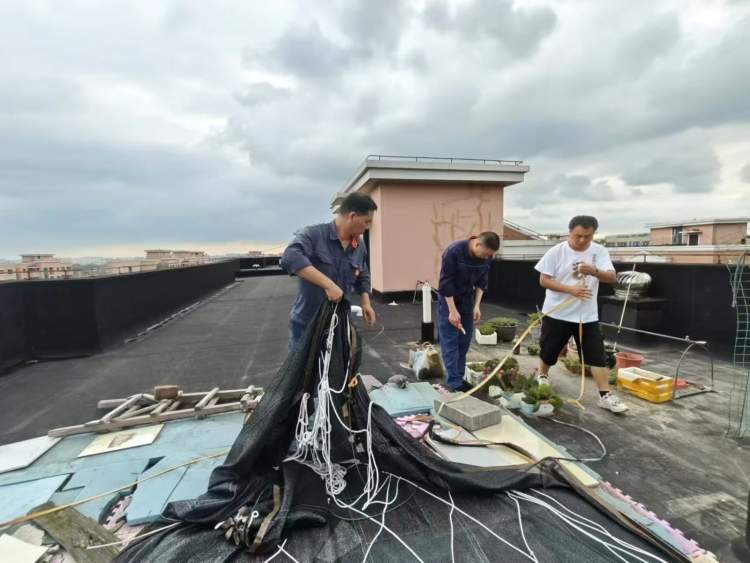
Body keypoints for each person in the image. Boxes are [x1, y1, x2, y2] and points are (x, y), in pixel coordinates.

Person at [534, 215, 627, 413]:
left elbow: (611, 277)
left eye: (588, 236)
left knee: (596, 355)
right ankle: (542, 376)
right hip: (557, 312)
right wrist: (571, 290)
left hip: (587, 316)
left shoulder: (599, 251)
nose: (583, 240)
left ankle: (605, 395)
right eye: (578, 236)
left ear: (594, 234)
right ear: (570, 232)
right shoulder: (556, 251)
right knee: (549, 349)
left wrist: (594, 271)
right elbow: (544, 280)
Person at [280, 193, 377, 350]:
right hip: (307, 325)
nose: (367, 227)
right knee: (304, 366)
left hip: (339, 325)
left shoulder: (359, 246)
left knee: (338, 365)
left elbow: (362, 276)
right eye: (366, 221)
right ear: (352, 216)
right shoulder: (313, 235)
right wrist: (329, 285)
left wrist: (366, 303)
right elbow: (290, 257)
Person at [437, 232, 500, 392]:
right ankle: (454, 382)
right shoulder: (454, 252)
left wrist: (477, 305)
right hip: (449, 299)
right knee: (450, 341)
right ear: (477, 244)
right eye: (485, 254)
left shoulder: (487, 256)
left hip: (467, 298)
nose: (487, 257)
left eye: (489, 255)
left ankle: (459, 377)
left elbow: (482, 282)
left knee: (464, 341)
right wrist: (452, 311)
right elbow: (445, 283)